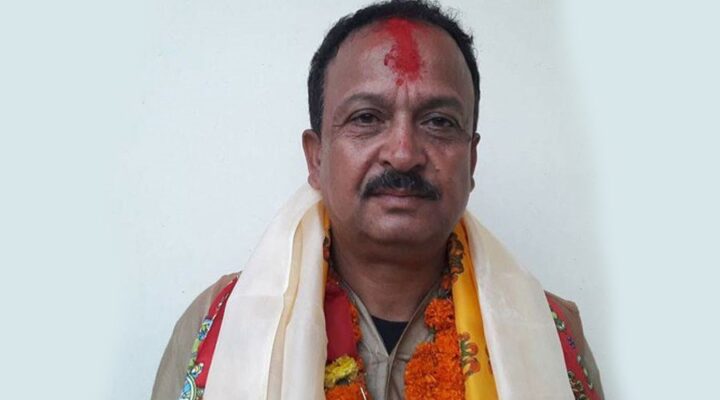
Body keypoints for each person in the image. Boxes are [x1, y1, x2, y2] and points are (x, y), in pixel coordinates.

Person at [152, 1, 603, 399]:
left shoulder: (549, 331)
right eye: (367, 118)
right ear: (316, 157)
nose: (403, 154)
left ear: (471, 159)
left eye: (439, 122)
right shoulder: (220, 323)